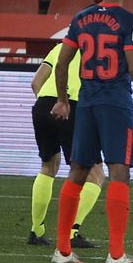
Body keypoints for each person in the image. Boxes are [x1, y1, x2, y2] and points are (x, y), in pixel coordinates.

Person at [48, 0, 133, 263]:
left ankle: (62, 250)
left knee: (77, 171)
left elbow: (62, 64)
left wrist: (62, 100)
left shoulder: (81, 18)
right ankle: (116, 254)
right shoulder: (129, 20)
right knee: (119, 172)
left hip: (87, 104)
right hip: (115, 105)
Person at [28, 40, 105, 248]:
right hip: (72, 106)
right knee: (95, 173)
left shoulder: (60, 47)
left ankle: (36, 231)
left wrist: (48, 107)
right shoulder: (96, 50)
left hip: (43, 106)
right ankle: (71, 232)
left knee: (48, 166)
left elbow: (36, 82)